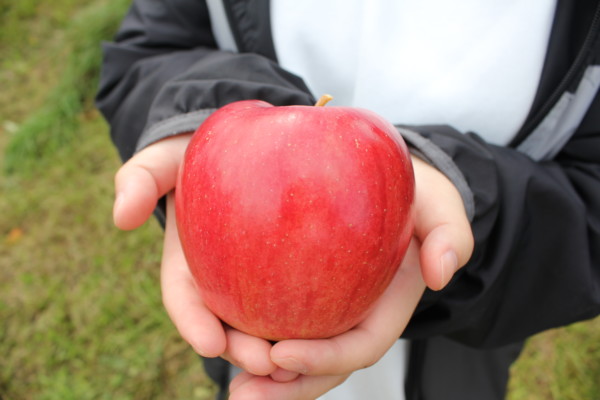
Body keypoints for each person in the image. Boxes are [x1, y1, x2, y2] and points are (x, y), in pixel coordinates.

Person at [96, 1, 600, 399]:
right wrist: (194, 115)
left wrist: (477, 210)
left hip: (467, 322)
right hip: (240, 321)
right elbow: (151, 48)